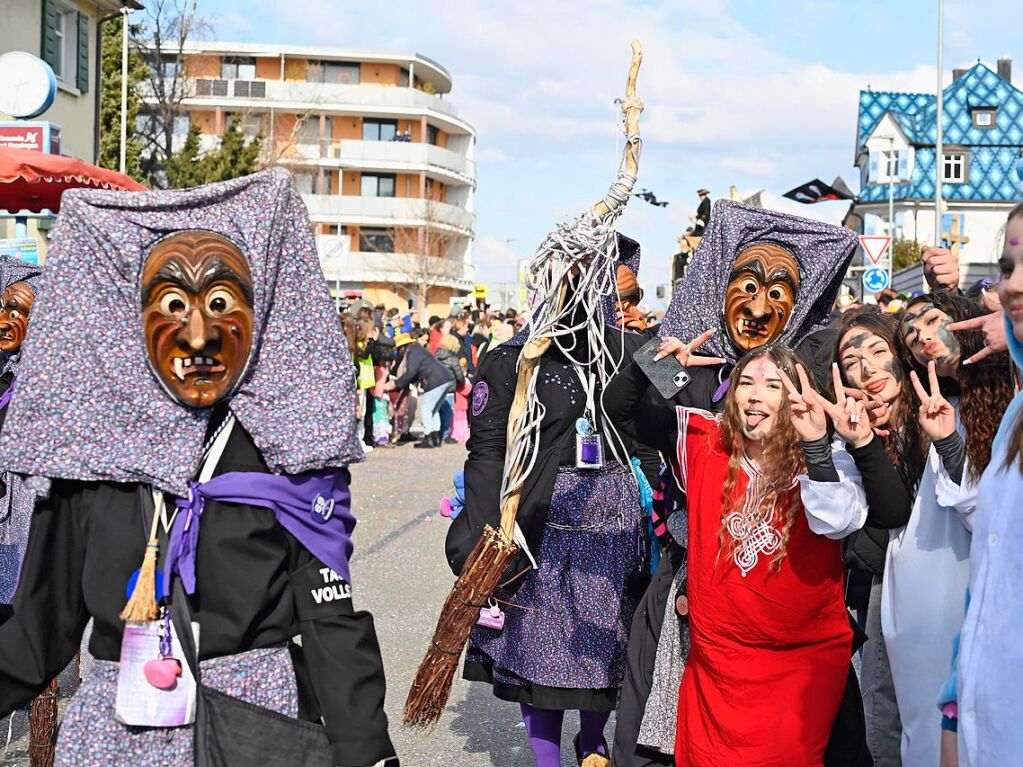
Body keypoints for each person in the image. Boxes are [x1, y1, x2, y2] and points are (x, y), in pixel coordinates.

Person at [0, 170, 397, 767]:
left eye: (220, 303)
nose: (199, 335)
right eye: (171, 304)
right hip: (114, 738)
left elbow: (328, 620)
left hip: (254, 726)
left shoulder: (287, 452)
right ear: (131, 323)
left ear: (259, 317)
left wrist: (369, 753)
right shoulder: (91, 456)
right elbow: (37, 629)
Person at [612, 200, 866, 767]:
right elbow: (630, 413)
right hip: (697, 586)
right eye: (746, 285)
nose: (756, 307)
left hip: (789, 610)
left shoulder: (806, 388)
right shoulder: (688, 369)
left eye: (777, 294)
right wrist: (656, 352)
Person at [447, 232, 652, 767]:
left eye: (626, 296)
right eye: (618, 296)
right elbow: (487, 450)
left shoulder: (634, 353)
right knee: (540, 654)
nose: (628, 308)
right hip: (540, 525)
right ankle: (547, 761)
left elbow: (663, 429)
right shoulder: (514, 358)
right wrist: (489, 530)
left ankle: (592, 743)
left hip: (615, 524)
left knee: (606, 647)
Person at [882, 290, 1014, 767]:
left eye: (931, 320)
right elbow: (981, 513)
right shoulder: (938, 413)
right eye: (910, 334)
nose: (922, 336)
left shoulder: (1011, 392)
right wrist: (949, 443)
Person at [942, 201, 1023, 766]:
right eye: (1009, 268)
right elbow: (988, 587)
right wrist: (953, 713)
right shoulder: (1016, 417)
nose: (1012, 287)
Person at [831, 307, 929, 766]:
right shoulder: (845, 437)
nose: (867, 368)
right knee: (885, 707)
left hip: (953, 581)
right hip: (888, 588)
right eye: (852, 361)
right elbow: (869, 535)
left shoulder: (937, 407)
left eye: (877, 351)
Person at [0, 256, 43, 621]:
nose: (3, 321)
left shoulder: (39, 379)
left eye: (15, 310)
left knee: (20, 610)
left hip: (20, 519)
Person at [385, 327, 454, 448]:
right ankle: (436, 437)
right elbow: (414, 373)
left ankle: (429, 438)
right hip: (445, 378)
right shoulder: (418, 349)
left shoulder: (412, 351)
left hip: (435, 381)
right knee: (434, 410)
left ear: (403, 347)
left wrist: (396, 384)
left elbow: (411, 372)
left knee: (426, 408)